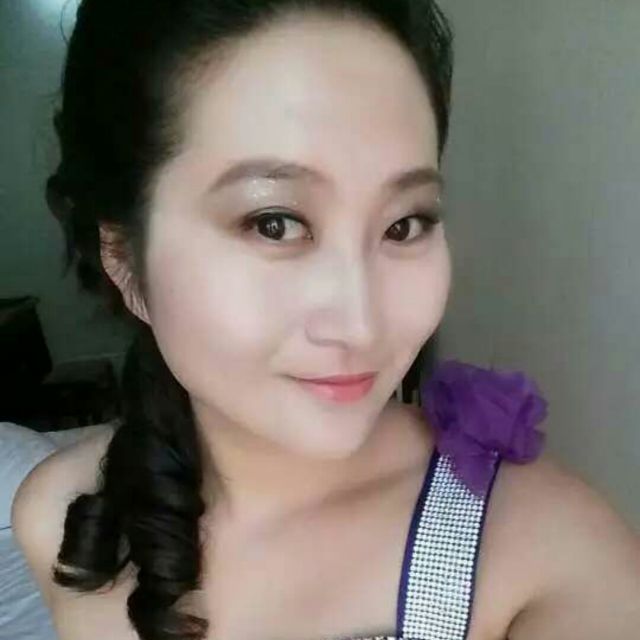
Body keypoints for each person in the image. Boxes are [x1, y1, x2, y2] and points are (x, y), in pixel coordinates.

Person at [10, 1, 640, 639]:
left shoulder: (549, 558)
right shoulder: (66, 518)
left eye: (405, 224)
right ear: (123, 260)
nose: (362, 326)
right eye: (274, 223)